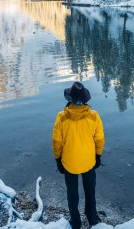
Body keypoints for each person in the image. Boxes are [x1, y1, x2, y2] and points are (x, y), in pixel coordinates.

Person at [52, 82, 105, 228]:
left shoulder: (61, 117)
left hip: (69, 163)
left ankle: (75, 221)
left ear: (69, 99)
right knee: (90, 191)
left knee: (72, 194)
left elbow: (56, 142)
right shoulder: (94, 117)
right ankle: (92, 218)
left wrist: (58, 161)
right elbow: (99, 140)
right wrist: (98, 156)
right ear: (85, 100)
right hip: (89, 162)